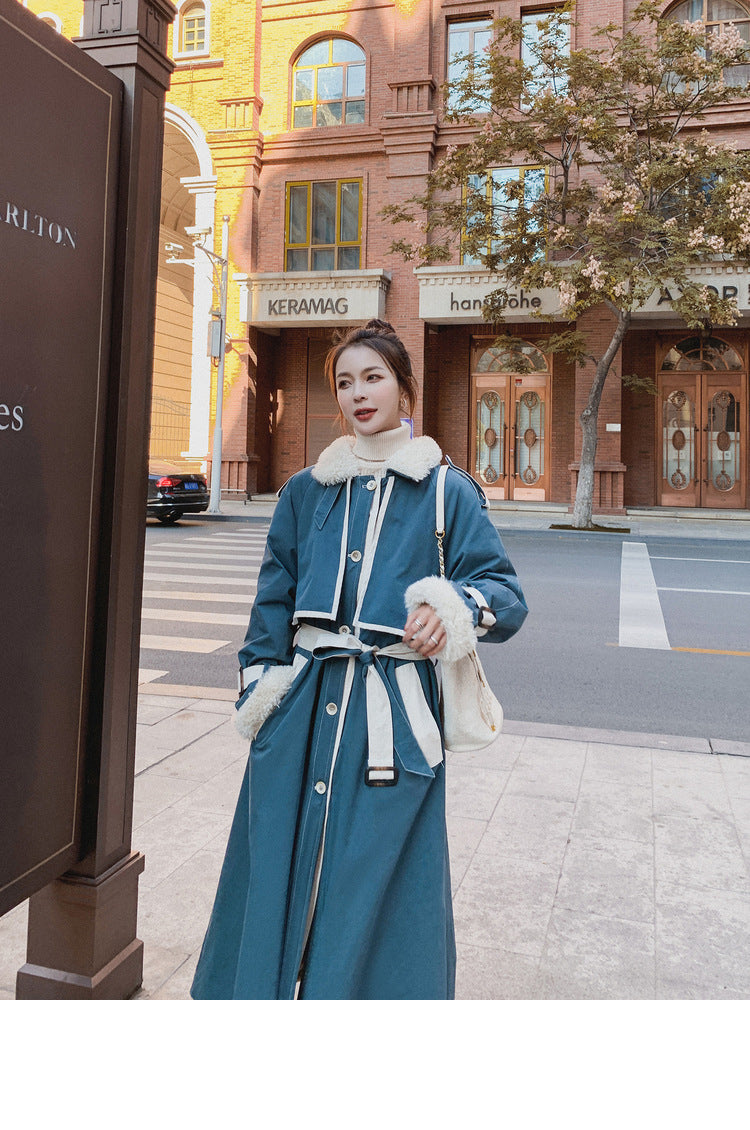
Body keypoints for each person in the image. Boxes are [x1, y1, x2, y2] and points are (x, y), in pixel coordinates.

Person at [190, 320, 527, 1000]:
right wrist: (261, 702)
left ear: (406, 388)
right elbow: (269, 611)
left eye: (373, 377)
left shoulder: (445, 491)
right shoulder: (304, 492)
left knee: (379, 886)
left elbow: (506, 597)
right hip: (301, 715)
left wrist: (453, 608)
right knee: (275, 874)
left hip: (393, 726)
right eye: (345, 382)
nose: (357, 393)